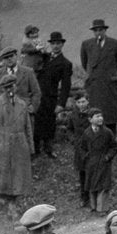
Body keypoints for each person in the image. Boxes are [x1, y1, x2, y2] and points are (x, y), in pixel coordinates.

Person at [0, 73, 34, 216]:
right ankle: (1, 201)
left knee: (18, 175)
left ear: (16, 86)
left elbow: (28, 127)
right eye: (6, 87)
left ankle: (15, 203)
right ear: (2, 89)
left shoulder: (22, 104)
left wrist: (30, 146)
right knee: (1, 175)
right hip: (2, 144)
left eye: (12, 86)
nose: (10, 89)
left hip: (19, 144)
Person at [32, 30, 73, 158]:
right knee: (36, 121)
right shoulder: (44, 57)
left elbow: (66, 86)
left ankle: (48, 149)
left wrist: (61, 103)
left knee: (49, 122)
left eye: (58, 43)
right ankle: (35, 149)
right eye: (53, 43)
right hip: (38, 94)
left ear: (62, 45)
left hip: (51, 96)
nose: (55, 46)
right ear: (50, 44)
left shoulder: (65, 63)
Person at [79, 18, 117, 133]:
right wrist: (94, 75)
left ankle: (111, 140)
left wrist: (109, 74)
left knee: (110, 115)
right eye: (96, 30)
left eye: (100, 30)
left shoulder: (115, 44)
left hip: (109, 85)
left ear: (105, 30)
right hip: (94, 85)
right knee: (94, 112)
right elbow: (85, 63)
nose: (98, 33)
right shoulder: (87, 45)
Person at [80, 107, 117, 214]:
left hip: (103, 163)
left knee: (103, 186)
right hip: (91, 163)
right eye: (97, 117)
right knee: (92, 185)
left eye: (101, 116)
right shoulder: (86, 133)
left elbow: (114, 147)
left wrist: (108, 157)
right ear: (90, 119)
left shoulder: (107, 132)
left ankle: (102, 209)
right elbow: (82, 147)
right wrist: (87, 157)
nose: (100, 119)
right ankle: (94, 207)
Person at [0, 47, 41, 115]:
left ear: (16, 56)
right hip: (4, 112)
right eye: (6, 57)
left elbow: (36, 92)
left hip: (24, 111)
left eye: (11, 56)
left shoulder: (28, 72)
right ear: (3, 60)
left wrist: (33, 107)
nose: (9, 59)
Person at [66, 93, 90, 207]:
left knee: (93, 172)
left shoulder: (92, 114)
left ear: (88, 102)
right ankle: (84, 197)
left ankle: (94, 197)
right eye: (79, 102)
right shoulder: (73, 115)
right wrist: (73, 140)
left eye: (83, 101)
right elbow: (69, 129)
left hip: (92, 147)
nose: (81, 104)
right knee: (82, 173)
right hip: (79, 148)